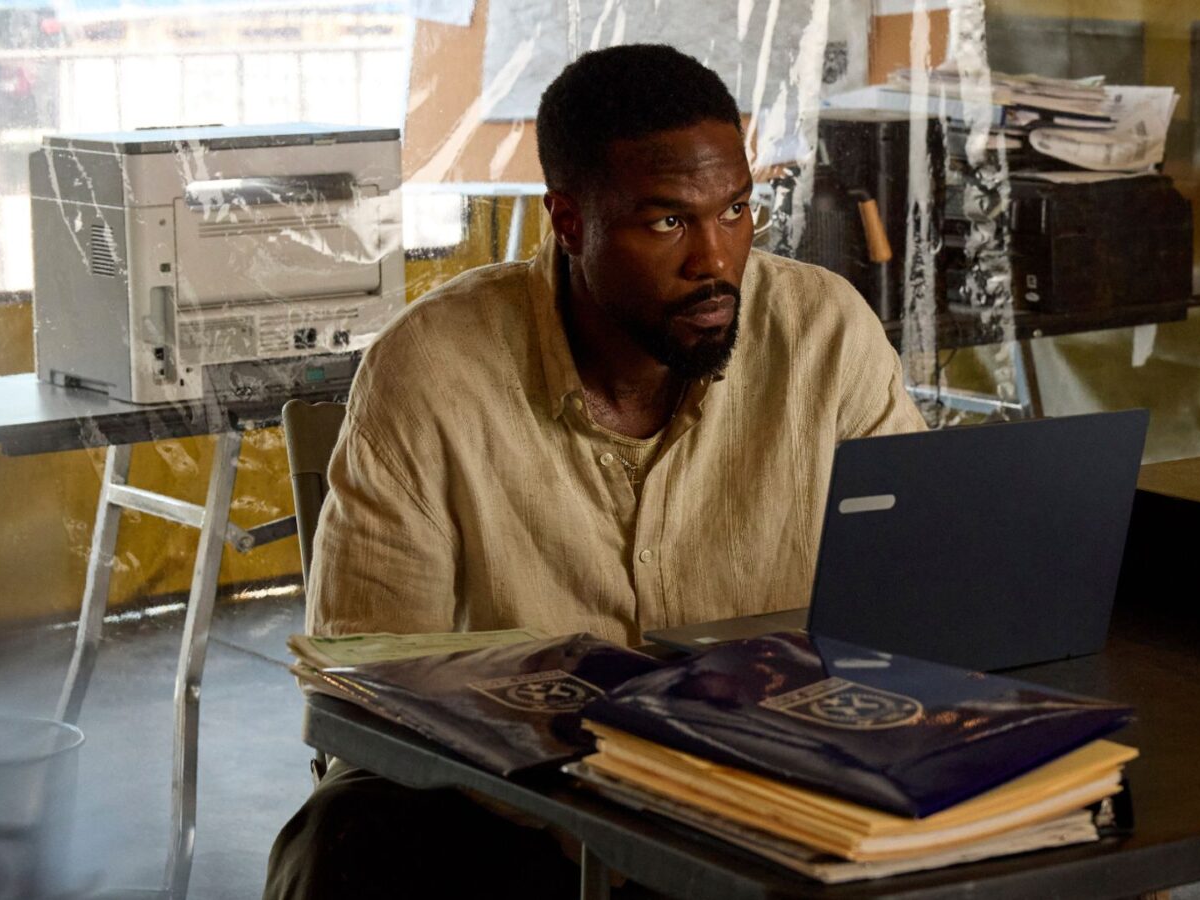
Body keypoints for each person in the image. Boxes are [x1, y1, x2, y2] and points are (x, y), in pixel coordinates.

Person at [265, 43, 926, 898]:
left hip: (777, 788)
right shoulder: (432, 368)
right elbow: (377, 689)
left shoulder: (824, 332)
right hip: (514, 804)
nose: (715, 260)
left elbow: (912, 609)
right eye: (668, 223)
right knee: (349, 837)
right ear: (570, 222)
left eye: (735, 210)